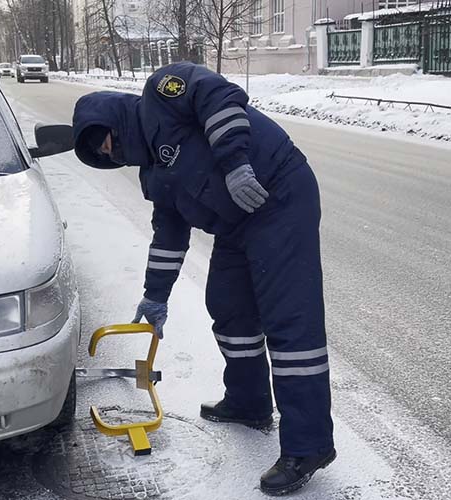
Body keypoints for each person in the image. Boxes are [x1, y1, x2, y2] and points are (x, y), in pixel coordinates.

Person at [72, 62, 336, 496]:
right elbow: (169, 234)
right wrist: (155, 296)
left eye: (104, 141)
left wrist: (235, 163)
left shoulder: (162, 91)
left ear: (114, 119)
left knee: (290, 322)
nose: (109, 153)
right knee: (229, 310)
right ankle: (250, 403)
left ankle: (309, 446)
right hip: (236, 225)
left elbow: (219, 96)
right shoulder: (155, 177)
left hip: (278, 195)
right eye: (101, 155)